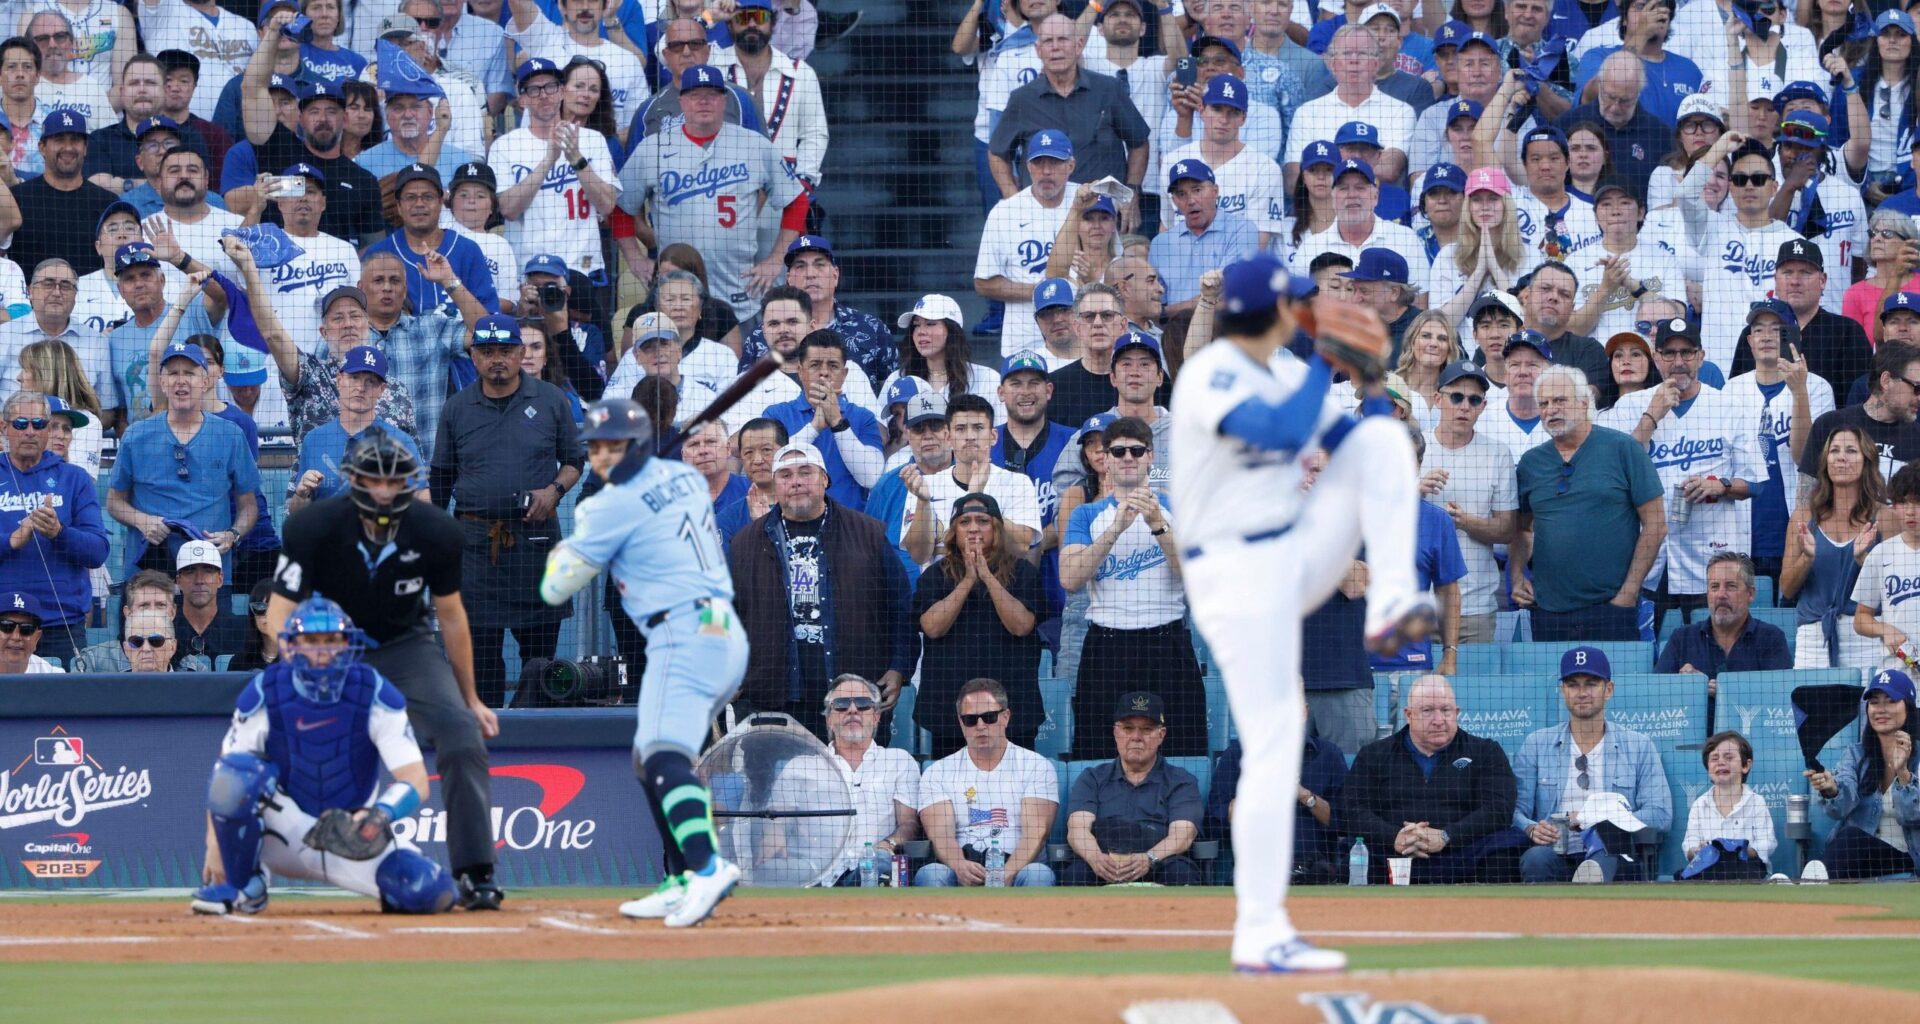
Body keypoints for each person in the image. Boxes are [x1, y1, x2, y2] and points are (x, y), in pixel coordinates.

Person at [1172, 254, 1431, 974]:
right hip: (1231, 572)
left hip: (1291, 554)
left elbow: (1353, 441)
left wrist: (1372, 381)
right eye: (1295, 303)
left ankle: (1393, 596)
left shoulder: (1290, 369)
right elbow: (1279, 434)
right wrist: (1328, 364)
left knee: (1383, 439)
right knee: (1276, 740)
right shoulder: (1211, 372)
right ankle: (1260, 930)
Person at [536, 399, 748, 927]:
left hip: (683, 633)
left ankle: (704, 868)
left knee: (661, 755)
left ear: (639, 446)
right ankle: (678, 878)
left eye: (615, 446)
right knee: (646, 757)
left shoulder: (609, 508)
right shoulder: (686, 479)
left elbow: (556, 588)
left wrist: (576, 539)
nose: (603, 456)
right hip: (719, 631)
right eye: (595, 447)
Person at [270, 431, 503, 910]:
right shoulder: (311, 527)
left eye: (394, 480)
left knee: (462, 734)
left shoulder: (439, 531)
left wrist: (471, 698)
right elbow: (279, 610)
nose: (383, 491)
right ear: (351, 479)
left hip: (405, 646)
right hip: (329, 649)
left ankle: (476, 872)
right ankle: (247, 863)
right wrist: (294, 664)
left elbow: (452, 616)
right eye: (372, 479)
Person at [188, 596, 456, 917]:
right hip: (282, 829)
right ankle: (245, 883)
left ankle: (396, 889)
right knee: (239, 772)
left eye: (331, 640)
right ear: (292, 645)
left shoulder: (373, 691)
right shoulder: (266, 690)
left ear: (347, 644)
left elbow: (415, 780)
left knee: (431, 892)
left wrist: (378, 816)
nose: (322, 651)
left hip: (350, 836)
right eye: (312, 641)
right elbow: (225, 773)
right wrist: (215, 845)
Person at [429, 313, 583, 707]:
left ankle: (541, 745)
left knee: (540, 659)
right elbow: (441, 481)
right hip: (476, 549)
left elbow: (574, 461)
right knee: (481, 661)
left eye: (506, 350)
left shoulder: (551, 399)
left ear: (520, 353)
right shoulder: (456, 408)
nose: (497, 358)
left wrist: (554, 491)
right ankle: (491, 744)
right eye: (487, 351)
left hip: (536, 545)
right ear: (474, 356)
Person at [729, 442, 912, 726]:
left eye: (806, 472)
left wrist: (899, 666)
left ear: (825, 479)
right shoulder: (745, 543)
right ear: (775, 485)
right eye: (786, 475)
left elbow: (901, 605)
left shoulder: (868, 534)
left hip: (853, 697)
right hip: (772, 697)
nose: (796, 482)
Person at [1598, 317, 1764, 623]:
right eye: (1669, 353)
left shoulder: (1731, 406)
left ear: (1701, 356)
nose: (1678, 362)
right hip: (1647, 557)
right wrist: (1653, 414)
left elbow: (1756, 484)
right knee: (1646, 652)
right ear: (1656, 357)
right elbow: (1613, 474)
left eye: (1686, 352)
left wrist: (1721, 486)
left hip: (1711, 555)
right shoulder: (1630, 407)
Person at [1061, 415, 1204, 758]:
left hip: (1166, 640)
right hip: (1107, 643)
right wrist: (1115, 529)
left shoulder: (1177, 509)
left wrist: (1157, 525)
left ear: (1151, 457)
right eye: (1119, 451)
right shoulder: (1086, 515)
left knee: (1182, 748)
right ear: (1105, 458)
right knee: (1096, 751)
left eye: (1137, 451)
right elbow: (1069, 579)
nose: (1128, 457)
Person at [618, 63, 802, 322]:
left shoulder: (754, 145)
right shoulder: (653, 148)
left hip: (738, 292)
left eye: (712, 95)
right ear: (682, 102)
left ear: (724, 101)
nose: (704, 101)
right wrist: (634, 257)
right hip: (676, 297)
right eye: (695, 95)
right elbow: (620, 207)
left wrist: (776, 259)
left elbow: (797, 200)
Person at [1512, 365, 1666, 642]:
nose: (1550, 410)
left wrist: (1629, 593)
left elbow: (1656, 525)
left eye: (1560, 400)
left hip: (1612, 607)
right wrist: (1516, 576)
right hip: (1548, 610)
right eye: (1544, 403)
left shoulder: (1623, 449)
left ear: (1584, 403)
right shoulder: (1531, 463)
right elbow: (1521, 529)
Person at [1512, 646, 1674, 883]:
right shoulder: (1536, 744)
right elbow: (1514, 809)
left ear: (1608, 689)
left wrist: (1595, 817)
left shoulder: (1638, 745)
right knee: (1535, 859)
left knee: (1609, 854)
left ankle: (1590, 906)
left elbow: (1660, 815)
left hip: (1614, 849)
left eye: (1591, 683)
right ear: (1562, 691)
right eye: (1573, 684)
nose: (1582, 692)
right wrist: (1531, 828)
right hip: (1556, 849)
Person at [1341, 675, 1519, 883]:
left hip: (1464, 852)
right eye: (1427, 711)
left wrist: (1446, 836)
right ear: (1408, 714)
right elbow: (1352, 810)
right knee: (1355, 853)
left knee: (1503, 850)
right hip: (1392, 853)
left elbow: (1499, 810)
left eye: (1446, 711)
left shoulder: (1486, 752)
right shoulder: (1374, 754)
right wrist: (1394, 836)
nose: (1438, 720)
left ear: (1457, 713)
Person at [104, 342, 259, 577]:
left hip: (208, 572)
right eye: (173, 373)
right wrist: (142, 521)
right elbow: (114, 501)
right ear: (162, 383)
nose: (181, 381)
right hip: (150, 575)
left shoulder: (230, 434)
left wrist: (233, 534)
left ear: (205, 382)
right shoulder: (136, 435)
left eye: (190, 373)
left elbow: (249, 504)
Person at [914, 493, 1045, 759]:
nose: (974, 528)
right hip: (952, 717)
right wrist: (967, 581)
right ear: (954, 531)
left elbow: (1021, 625)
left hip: (1013, 712)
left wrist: (986, 576)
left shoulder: (1024, 573)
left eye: (983, 521)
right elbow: (932, 627)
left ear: (997, 528)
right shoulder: (935, 576)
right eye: (965, 522)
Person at [987, 13, 1148, 207]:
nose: (1055, 47)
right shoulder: (1022, 99)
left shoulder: (1109, 89)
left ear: (1079, 45)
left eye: (1063, 39)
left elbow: (1139, 143)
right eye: (1048, 41)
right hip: (1044, 213)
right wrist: (1014, 198)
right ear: (1038, 50)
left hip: (1103, 212)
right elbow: (997, 154)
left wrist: (1130, 193)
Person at [915, 678, 1059, 888]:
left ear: (1006, 717)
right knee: (931, 873)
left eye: (989, 717)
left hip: (1019, 868)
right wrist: (959, 865)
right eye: (970, 720)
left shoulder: (1036, 766)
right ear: (960, 722)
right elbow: (940, 835)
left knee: (1038, 874)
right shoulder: (937, 772)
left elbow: (1035, 833)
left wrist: (1007, 873)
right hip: (963, 866)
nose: (980, 726)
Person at [0, 391, 107, 665]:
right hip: (2, 624)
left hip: (61, 625)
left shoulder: (75, 479)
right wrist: (10, 540)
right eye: (21, 424)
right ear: (4, 427)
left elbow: (97, 551)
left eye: (38, 424)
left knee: (65, 707)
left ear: (48, 429)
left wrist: (60, 533)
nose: (30, 432)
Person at [1063, 692, 1204, 887]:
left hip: (1160, 863)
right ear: (1115, 732)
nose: (1136, 737)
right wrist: (1095, 858)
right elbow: (1077, 829)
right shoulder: (1092, 778)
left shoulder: (1182, 781)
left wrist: (1149, 858)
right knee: (1075, 875)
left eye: (1146, 730)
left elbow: (1183, 835)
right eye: (1128, 729)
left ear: (1161, 735)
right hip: (1104, 863)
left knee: (1181, 874)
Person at [1419, 362, 1515, 646]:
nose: (1465, 406)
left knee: (1475, 691)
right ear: (1438, 399)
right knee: (1414, 691)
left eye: (1474, 400)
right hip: (1417, 603)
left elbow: (1507, 530)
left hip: (1475, 608)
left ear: (1483, 406)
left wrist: (1466, 522)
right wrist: (1415, 495)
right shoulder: (1411, 447)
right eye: (1456, 397)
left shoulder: (1498, 454)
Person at [1782, 425, 1884, 671]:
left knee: (1868, 709)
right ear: (1825, 460)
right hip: (1814, 636)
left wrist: (1863, 562)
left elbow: (1893, 591)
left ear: (1866, 460)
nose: (1841, 457)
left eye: (1851, 451)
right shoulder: (1802, 516)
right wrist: (1807, 559)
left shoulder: (1885, 517)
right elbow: (1786, 589)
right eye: (1834, 451)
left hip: (1866, 634)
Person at [740, 236, 895, 392]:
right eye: (800, 266)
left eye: (819, 265)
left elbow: (891, 394)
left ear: (835, 275)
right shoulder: (760, 335)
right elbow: (742, 396)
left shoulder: (871, 329)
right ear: (788, 279)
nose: (810, 274)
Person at [806, 674, 920, 886]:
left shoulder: (899, 762)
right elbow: (779, 830)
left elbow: (909, 823)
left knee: (882, 865)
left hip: (872, 871)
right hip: (816, 874)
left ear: (876, 716)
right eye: (841, 705)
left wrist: (889, 844)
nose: (852, 710)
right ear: (828, 718)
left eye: (863, 704)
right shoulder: (803, 766)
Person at [1805, 669, 1920, 879]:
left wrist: (1903, 772)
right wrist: (1832, 789)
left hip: (1908, 856)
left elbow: (1913, 816)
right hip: (1857, 855)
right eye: (1874, 702)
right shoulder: (1855, 753)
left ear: (1909, 707)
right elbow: (1840, 807)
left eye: (1891, 701)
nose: (1881, 709)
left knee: (1851, 840)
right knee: (1850, 839)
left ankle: (1807, 887)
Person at [902, 394, 1041, 565]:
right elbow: (918, 556)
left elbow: (1021, 546)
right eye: (960, 428)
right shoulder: (926, 486)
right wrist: (923, 501)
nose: (970, 436)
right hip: (945, 588)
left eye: (978, 427)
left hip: (1001, 587)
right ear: (948, 437)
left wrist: (978, 498)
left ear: (993, 436)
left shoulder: (1018, 483)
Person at [975, 130, 1082, 355]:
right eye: (1038, 163)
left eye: (1054, 162)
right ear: (1028, 166)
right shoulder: (1005, 212)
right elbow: (984, 282)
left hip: (1081, 344)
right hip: (1024, 341)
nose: (1045, 171)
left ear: (1070, 166)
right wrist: (1043, 292)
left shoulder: (1088, 202)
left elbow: (1112, 263)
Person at [286, 348, 427, 514]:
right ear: (339, 380)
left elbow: (423, 505)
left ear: (382, 390)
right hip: (328, 537)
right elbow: (297, 515)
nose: (361, 387)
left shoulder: (401, 442)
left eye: (371, 382)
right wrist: (301, 495)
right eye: (354, 378)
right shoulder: (314, 439)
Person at [758, 329, 886, 509]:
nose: (824, 373)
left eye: (833, 365)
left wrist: (837, 422)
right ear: (801, 371)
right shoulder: (775, 414)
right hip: (789, 522)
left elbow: (871, 478)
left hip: (849, 527)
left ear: (844, 374)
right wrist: (815, 427)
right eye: (815, 365)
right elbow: (769, 465)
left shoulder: (863, 417)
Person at [1655, 552, 1792, 704]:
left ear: (1750, 594)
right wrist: (1684, 686)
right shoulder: (1681, 638)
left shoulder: (1771, 638)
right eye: (1714, 587)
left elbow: (1780, 699)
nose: (1721, 595)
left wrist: (1726, 691)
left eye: (1731, 586)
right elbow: (1656, 696)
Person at [7, 110, 111, 278]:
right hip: (29, 301)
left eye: (75, 140)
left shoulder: (107, 203)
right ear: (42, 147)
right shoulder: (17, 199)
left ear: (85, 148)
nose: (68, 148)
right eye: (59, 140)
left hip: (93, 301)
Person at [1679, 730, 1776, 881]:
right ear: (1708, 768)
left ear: (1746, 765)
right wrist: (1698, 850)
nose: (1721, 762)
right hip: (1709, 866)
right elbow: (1689, 843)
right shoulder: (1699, 804)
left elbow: (1767, 843)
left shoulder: (1757, 802)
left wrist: (1738, 850)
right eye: (1714, 758)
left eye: (1729, 757)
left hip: (1745, 866)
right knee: (1683, 875)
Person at [172, 538, 247, 664]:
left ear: (220, 579)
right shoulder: (165, 631)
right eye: (190, 571)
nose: (199, 580)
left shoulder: (243, 630)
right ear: (178, 581)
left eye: (208, 571)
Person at [0, 591, 60, 674]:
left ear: (37, 638)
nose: (16, 637)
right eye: (7, 626)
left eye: (26, 628)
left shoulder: (53, 677)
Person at [230, 579, 279, 673]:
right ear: (252, 614)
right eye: (260, 607)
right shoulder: (239, 663)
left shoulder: (298, 662)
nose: (268, 615)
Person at [120, 608, 180, 673]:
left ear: (172, 647)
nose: (146, 649)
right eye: (136, 641)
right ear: (126, 649)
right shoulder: (113, 683)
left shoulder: (188, 683)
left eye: (156, 640)